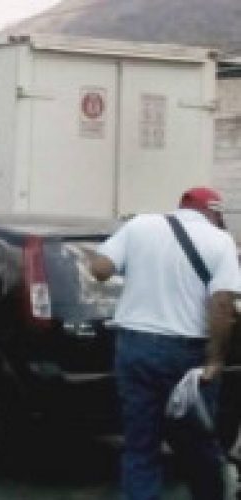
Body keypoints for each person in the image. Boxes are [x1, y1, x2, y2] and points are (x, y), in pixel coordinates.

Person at [88, 187, 241, 500]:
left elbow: (100, 269)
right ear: (212, 213)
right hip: (188, 354)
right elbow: (223, 304)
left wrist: (137, 263)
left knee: (140, 443)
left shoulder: (140, 225)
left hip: (135, 346)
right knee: (198, 442)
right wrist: (215, 360)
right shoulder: (220, 241)